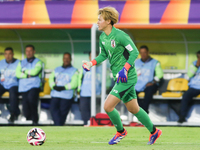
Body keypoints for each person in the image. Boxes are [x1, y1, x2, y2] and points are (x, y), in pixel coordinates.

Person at [82, 7, 162, 145]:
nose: (97, 22)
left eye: (99, 20)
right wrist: (91, 63)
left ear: (108, 21)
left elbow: (134, 52)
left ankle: (121, 131)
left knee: (107, 107)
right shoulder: (102, 37)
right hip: (118, 77)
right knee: (133, 109)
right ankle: (154, 131)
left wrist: (124, 69)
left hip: (127, 77)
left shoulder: (120, 35)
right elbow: (103, 55)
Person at [49, 52, 78, 126]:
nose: (66, 60)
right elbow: (51, 79)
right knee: (53, 110)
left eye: (68, 58)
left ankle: (58, 126)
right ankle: (58, 126)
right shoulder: (57, 69)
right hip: (55, 94)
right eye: (65, 58)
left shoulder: (74, 70)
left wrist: (63, 87)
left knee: (62, 114)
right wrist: (54, 86)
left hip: (66, 95)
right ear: (62, 59)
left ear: (71, 59)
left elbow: (74, 83)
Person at [16, 45, 43, 125]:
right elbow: (17, 73)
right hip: (24, 87)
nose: (28, 53)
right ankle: (28, 119)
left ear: (34, 52)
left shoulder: (38, 62)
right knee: (25, 105)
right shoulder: (21, 62)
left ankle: (35, 120)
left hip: (34, 86)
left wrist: (24, 71)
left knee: (32, 100)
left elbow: (35, 72)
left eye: (30, 51)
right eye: (27, 51)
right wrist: (27, 74)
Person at [135, 45, 163, 114]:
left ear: (148, 52)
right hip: (137, 84)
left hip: (149, 84)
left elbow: (160, 74)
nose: (143, 54)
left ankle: (144, 110)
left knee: (149, 90)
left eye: (144, 52)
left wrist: (153, 81)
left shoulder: (155, 62)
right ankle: (142, 110)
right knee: (131, 93)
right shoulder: (136, 62)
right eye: (141, 53)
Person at [78, 52, 102, 125]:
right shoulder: (85, 67)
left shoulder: (101, 68)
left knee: (95, 113)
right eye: (91, 56)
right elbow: (80, 79)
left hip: (96, 94)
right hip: (84, 93)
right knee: (84, 113)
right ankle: (86, 125)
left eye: (95, 56)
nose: (93, 57)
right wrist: (79, 90)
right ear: (89, 57)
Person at [178, 50, 200, 123]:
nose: (199, 58)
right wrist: (196, 65)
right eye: (198, 57)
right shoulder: (193, 64)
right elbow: (189, 75)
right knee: (186, 96)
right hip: (194, 87)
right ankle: (182, 117)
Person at [0, 47, 20, 122]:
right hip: (2, 84)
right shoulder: (1, 63)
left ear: (13, 54)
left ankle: (13, 114)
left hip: (14, 84)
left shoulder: (18, 62)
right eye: (6, 54)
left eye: (9, 54)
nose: (7, 56)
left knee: (13, 94)